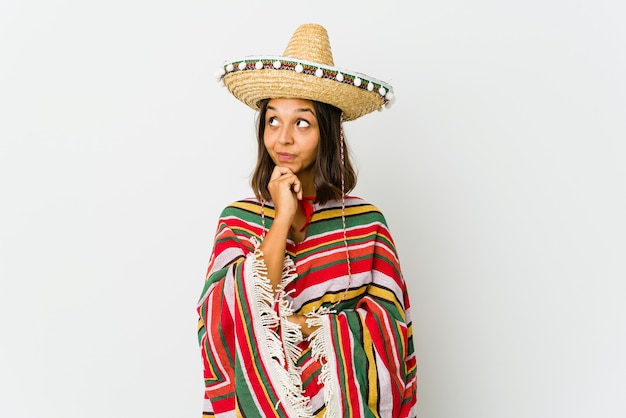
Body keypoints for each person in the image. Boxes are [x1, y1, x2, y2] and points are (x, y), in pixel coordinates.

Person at [197, 23, 417, 417]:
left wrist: (309, 328)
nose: (283, 138)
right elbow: (221, 320)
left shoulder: (366, 223)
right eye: (272, 120)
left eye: (302, 122)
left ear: (328, 134)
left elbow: (392, 330)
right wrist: (282, 217)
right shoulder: (237, 220)